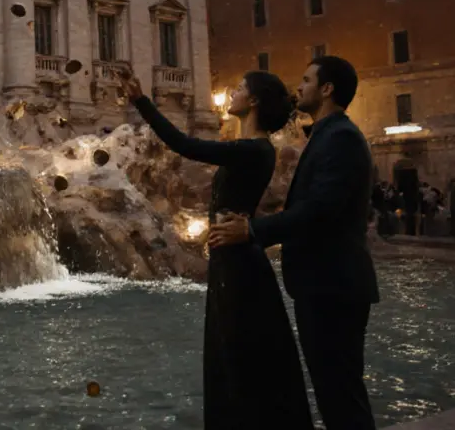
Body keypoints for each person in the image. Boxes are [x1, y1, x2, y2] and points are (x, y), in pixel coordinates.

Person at [120, 70, 313, 430]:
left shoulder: (253, 150)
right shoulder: (250, 149)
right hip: (232, 258)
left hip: (240, 263)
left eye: (239, 88)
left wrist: (142, 103)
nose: (233, 92)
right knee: (235, 352)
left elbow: (185, 144)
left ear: (253, 101)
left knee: (239, 353)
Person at [210, 56, 380, 430]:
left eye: (306, 80)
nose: (298, 87)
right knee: (332, 392)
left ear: (327, 89)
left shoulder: (342, 138)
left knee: (341, 394)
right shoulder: (327, 136)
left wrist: (253, 231)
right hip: (323, 285)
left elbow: (321, 208)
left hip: (334, 286)